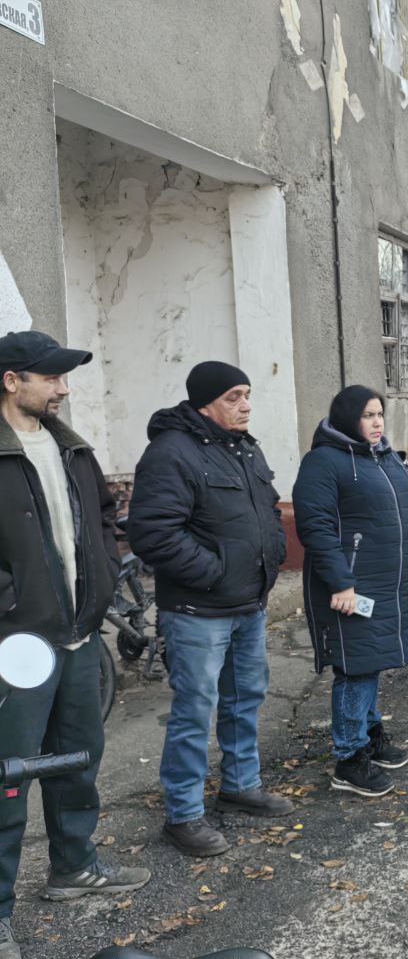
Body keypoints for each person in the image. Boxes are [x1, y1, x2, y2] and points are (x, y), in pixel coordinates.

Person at [0, 332, 151, 959]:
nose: (63, 388)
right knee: (8, 780)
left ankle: (73, 867)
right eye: (52, 377)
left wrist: (106, 574)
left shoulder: (72, 449)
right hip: (18, 647)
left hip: (81, 635)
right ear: (12, 380)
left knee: (78, 757)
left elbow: (105, 518)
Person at [128, 361, 293, 857]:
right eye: (233, 396)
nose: (245, 404)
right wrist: (215, 573)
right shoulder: (170, 453)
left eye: (247, 394)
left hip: (248, 603)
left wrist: (271, 559)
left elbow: (264, 510)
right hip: (199, 611)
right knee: (194, 712)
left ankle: (241, 786)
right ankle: (183, 815)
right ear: (205, 402)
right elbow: (153, 533)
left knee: (245, 699)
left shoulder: (243, 446)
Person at [292, 386, 408, 798]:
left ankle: (369, 734)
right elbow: (315, 527)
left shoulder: (386, 458)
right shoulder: (324, 463)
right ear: (346, 419)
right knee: (355, 667)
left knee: (371, 662)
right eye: (368, 416)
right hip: (350, 586)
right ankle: (349, 757)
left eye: (380, 415)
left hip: (385, 583)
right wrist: (340, 581)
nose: (376, 423)